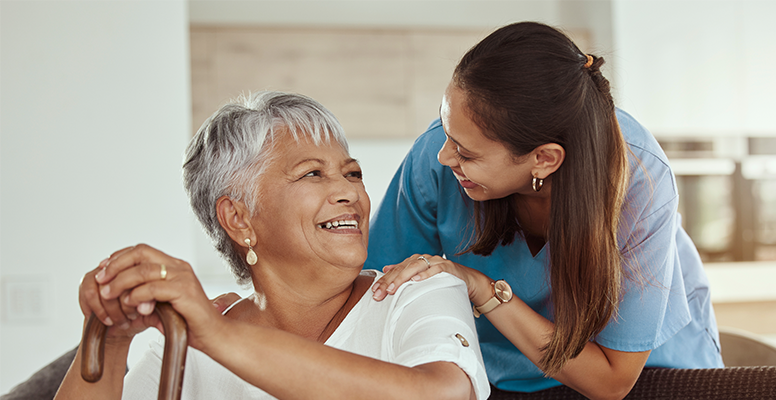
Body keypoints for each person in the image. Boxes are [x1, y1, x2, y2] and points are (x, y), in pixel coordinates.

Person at [367, 21, 724, 400]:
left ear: (543, 159)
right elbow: (375, 297)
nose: (443, 155)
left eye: (467, 154)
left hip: (643, 370)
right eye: (445, 131)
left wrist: (481, 288)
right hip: (502, 372)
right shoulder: (436, 158)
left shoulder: (639, 178)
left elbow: (611, 381)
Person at [53, 91, 490, 400]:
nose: (349, 193)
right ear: (238, 218)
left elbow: (443, 394)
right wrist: (108, 343)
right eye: (312, 174)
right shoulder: (186, 346)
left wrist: (219, 334)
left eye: (352, 173)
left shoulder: (419, 292)